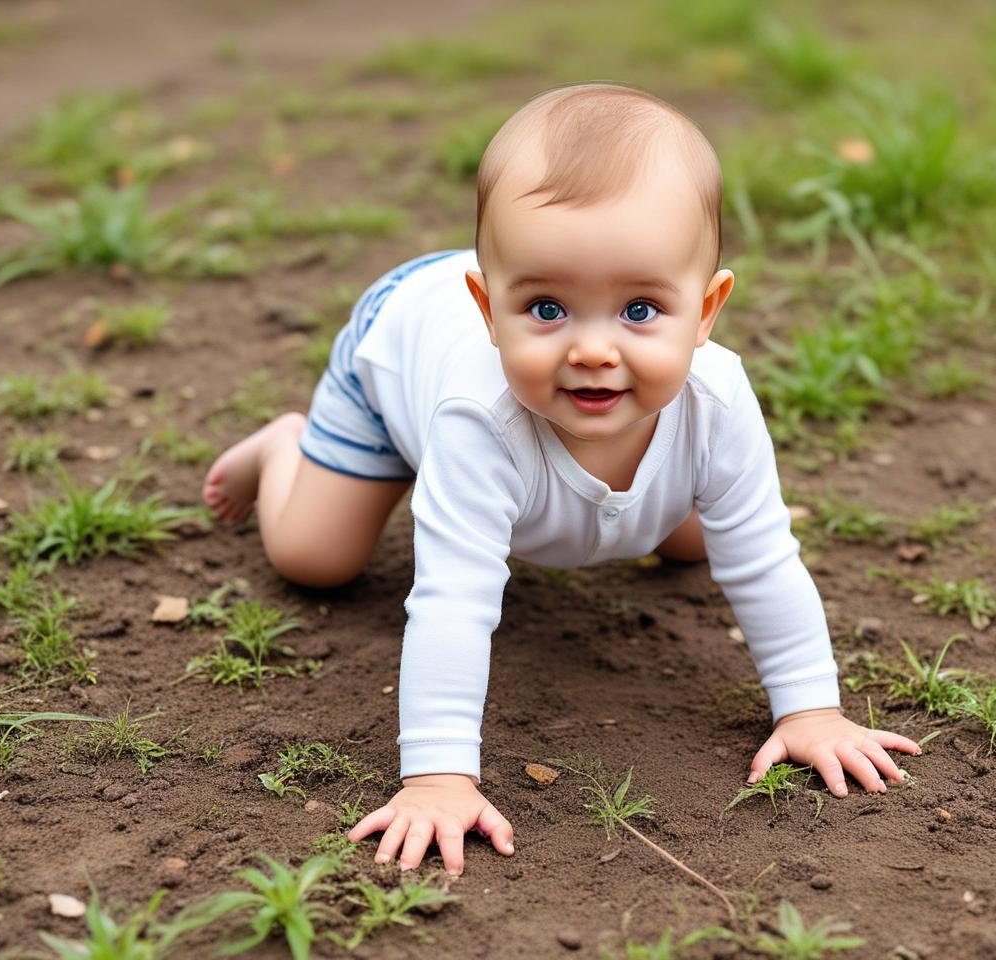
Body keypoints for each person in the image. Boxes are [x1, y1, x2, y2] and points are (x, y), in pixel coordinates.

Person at [202, 81, 920, 878]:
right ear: (486, 306)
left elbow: (762, 555)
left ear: (707, 310)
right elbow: (454, 602)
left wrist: (812, 709)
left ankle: (581, 366)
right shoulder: (479, 416)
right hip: (394, 361)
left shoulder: (717, 398)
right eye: (547, 309)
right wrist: (438, 777)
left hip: (580, 421)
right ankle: (284, 452)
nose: (592, 350)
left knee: (698, 542)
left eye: (640, 310)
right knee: (316, 559)